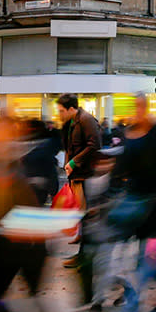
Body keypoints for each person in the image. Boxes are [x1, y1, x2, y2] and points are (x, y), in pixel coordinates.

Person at [83, 92, 156, 312]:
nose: (136, 110)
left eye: (140, 105)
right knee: (132, 265)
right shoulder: (127, 135)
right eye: (133, 107)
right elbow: (123, 173)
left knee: (143, 267)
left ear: (146, 107)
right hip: (132, 209)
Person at [57, 94, 108, 267]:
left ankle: (85, 256)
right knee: (82, 214)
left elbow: (94, 145)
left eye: (61, 111)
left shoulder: (86, 120)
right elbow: (69, 147)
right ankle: (84, 250)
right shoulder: (70, 122)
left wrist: (73, 162)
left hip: (85, 175)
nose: (59, 114)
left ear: (72, 109)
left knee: (86, 216)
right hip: (76, 175)